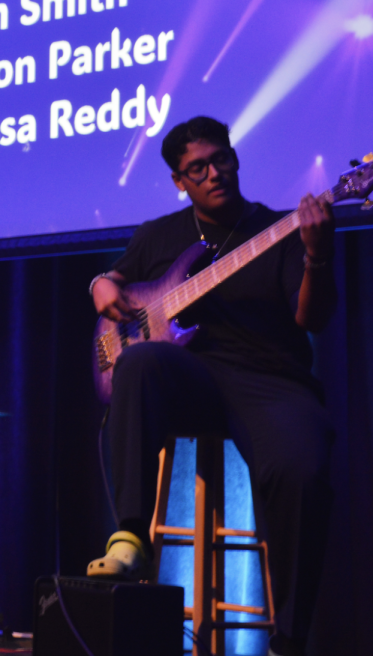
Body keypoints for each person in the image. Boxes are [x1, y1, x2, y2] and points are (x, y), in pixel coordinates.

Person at [88, 117, 334, 656]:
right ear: (180, 181)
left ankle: (289, 637)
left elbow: (313, 318)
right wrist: (99, 283)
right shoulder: (159, 236)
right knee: (138, 363)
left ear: (235, 159)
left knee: (304, 470)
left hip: (269, 379)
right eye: (196, 168)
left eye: (220, 158)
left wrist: (316, 253)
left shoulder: (280, 228)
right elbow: (115, 281)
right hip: (191, 378)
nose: (213, 172)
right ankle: (130, 536)